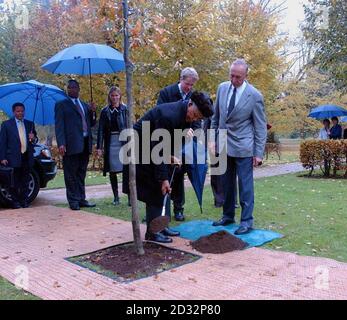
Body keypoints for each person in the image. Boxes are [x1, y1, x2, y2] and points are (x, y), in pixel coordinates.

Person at [123, 91, 214, 243]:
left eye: (199, 118)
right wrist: (163, 178)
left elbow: (168, 141)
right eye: (195, 114)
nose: (195, 119)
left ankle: (162, 226)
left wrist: (170, 156)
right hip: (139, 149)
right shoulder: (169, 115)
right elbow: (157, 149)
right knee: (156, 187)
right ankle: (152, 232)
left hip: (154, 146)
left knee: (166, 187)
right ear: (190, 103)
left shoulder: (186, 114)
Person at [211, 59, 267, 235]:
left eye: (238, 77)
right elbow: (215, 117)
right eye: (232, 75)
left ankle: (246, 221)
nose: (234, 80)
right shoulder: (222, 88)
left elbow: (260, 126)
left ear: (246, 76)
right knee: (226, 184)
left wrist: (258, 153)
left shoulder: (255, 95)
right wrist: (213, 139)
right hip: (223, 145)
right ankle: (227, 216)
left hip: (244, 147)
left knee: (245, 186)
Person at [157, 67, 200, 222]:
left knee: (179, 173)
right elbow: (160, 115)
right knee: (163, 174)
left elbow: (198, 119)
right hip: (165, 139)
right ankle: (162, 209)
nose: (189, 88)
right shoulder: (166, 93)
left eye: (192, 85)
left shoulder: (193, 97)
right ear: (181, 79)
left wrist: (193, 131)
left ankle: (178, 208)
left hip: (183, 142)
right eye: (187, 84)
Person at [55, 79, 97, 210]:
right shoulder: (62, 105)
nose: (71, 89)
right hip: (71, 145)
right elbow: (59, 125)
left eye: (73, 87)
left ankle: (81, 199)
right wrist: (61, 143)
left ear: (78, 89)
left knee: (81, 173)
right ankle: (73, 201)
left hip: (85, 144)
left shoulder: (84, 105)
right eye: (69, 88)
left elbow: (91, 123)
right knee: (70, 174)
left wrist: (93, 112)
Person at [0, 102, 37, 209]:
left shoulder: (30, 124)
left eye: (22, 111)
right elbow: (2, 142)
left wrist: (33, 137)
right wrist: (2, 157)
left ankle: (24, 201)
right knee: (13, 182)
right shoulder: (6, 125)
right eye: (18, 111)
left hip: (26, 156)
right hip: (13, 157)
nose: (20, 113)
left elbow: (34, 140)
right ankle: (15, 202)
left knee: (25, 181)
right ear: (13, 112)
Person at [97, 86, 128, 205]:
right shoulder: (105, 111)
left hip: (123, 142)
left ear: (120, 96)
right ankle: (116, 197)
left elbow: (130, 126)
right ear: (109, 97)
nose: (115, 98)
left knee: (126, 170)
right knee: (112, 170)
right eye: (112, 95)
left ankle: (130, 196)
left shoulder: (125, 109)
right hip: (111, 142)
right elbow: (100, 130)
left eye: (116, 95)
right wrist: (99, 147)